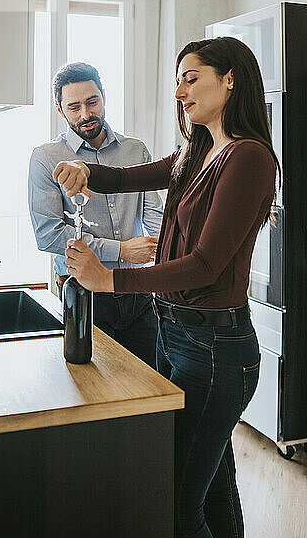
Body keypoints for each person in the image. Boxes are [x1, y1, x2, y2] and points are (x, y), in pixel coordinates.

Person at [52, 38, 281, 538]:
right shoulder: (196, 152)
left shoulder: (247, 158)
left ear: (230, 79)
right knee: (211, 485)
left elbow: (203, 266)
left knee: (175, 501)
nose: (179, 91)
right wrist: (85, 169)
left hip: (216, 350)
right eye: (178, 80)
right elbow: (129, 175)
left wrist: (109, 279)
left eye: (190, 77)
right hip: (176, 337)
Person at [28, 62, 164, 369]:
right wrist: (123, 249)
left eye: (92, 102)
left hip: (136, 291)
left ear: (103, 97)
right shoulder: (46, 158)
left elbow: (155, 215)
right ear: (60, 111)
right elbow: (48, 234)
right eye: (74, 107)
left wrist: (166, 253)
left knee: (148, 387)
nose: (86, 114)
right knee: (92, 388)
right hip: (84, 295)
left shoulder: (136, 151)